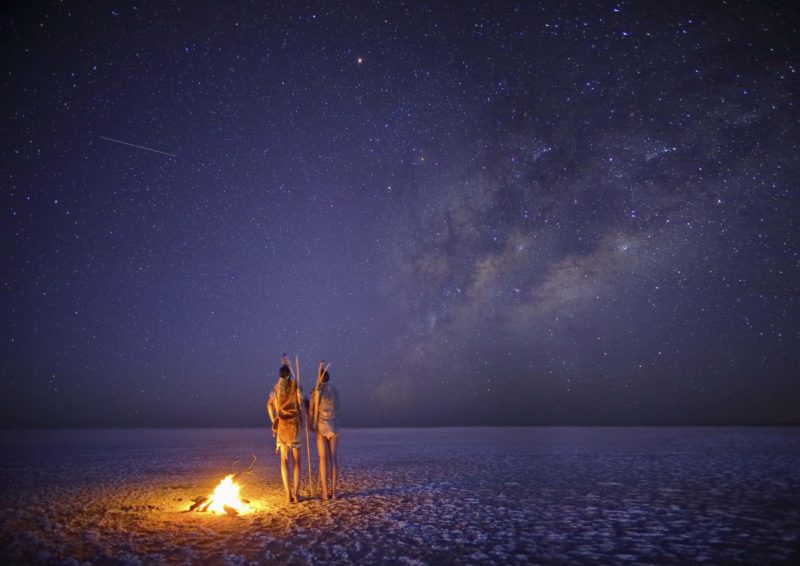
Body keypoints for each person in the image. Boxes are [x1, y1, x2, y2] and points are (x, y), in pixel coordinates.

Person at [267, 357, 305, 504]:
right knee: (297, 461)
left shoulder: (276, 388)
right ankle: (296, 493)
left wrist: (274, 420)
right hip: (294, 425)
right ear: (289, 374)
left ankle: (288, 494)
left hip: (282, 426)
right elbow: (301, 401)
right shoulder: (295, 385)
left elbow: (268, 404)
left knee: (284, 460)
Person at [310, 361, 340, 500]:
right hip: (333, 426)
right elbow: (338, 408)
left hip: (321, 427)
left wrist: (311, 423)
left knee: (323, 460)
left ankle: (325, 492)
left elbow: (312, 408)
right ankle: (333, 492)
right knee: (333, 459)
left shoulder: (316, 391)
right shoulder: (335, 391)